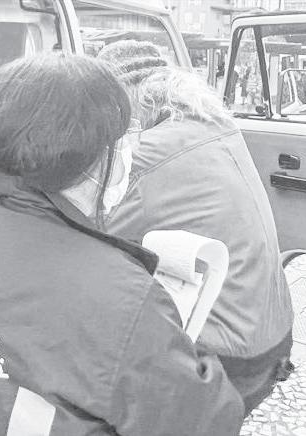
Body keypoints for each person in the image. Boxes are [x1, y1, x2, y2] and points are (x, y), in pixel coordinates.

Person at [0, 54, 244, 436]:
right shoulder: (121, 298)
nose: (127, 149)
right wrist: (175, 339)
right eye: (123, 137)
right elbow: (208, 420)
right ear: (95, 156)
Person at [98, 40, 294, 414]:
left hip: (224, 361)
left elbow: (89, 243)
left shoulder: (141, 154)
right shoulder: (218, 125)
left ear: (126, 103)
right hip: (274, 339)